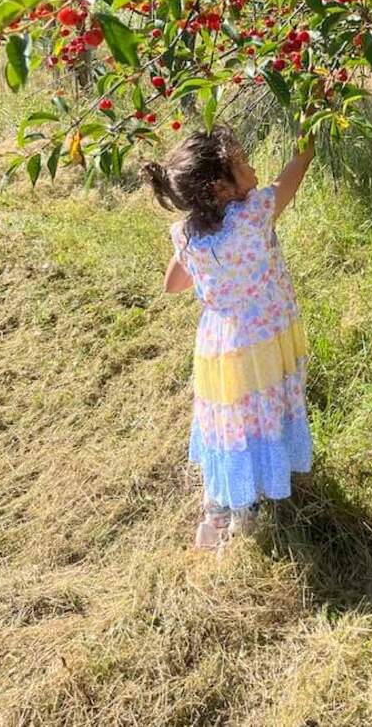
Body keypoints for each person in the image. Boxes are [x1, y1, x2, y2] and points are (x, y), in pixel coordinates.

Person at [144, 123, 315, 549]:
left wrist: (198, 253)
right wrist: (308, 137)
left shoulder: (185, 233)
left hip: (219, 345)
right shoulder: (253, 216)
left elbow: (173, 284)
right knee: (262, 417)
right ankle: (247, 514)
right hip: (262, 339)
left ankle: (216, 516)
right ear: (219, 188)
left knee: (229, 427)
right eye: (242, 165)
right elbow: (294, 171)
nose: (254, 171)